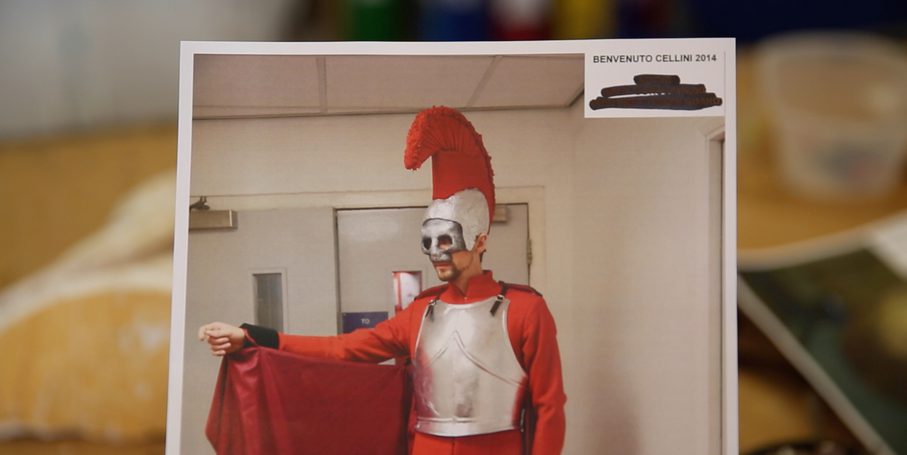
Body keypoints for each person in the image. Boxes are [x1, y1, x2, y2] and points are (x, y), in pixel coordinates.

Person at [199, 106, 566, 455]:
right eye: (429, 241)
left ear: (480, 240)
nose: (436, 253)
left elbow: (549, 406)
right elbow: (344, 349)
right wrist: (253, 336)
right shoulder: (421, 312)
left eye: (447, 241)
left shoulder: (526, 309)